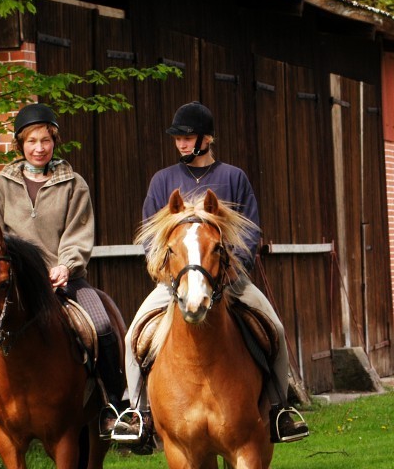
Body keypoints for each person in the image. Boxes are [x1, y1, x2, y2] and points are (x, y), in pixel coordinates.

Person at [111, 102, 309, 448]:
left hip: (230, 281)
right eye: (178, 139)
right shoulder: (162, 181)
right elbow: (150, 237)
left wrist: (233, 270)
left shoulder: (233, 178)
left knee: (275, 329)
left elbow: (250, 232)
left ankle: (280, 409)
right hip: (176, 284)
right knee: (132, 338)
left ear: (206, 139)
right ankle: (138, 413)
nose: (181, 144)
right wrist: (168, 273)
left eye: (188, 138)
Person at [0, 103, 127, 440]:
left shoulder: (74, 184)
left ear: (55, 141)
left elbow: (79, 232)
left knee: (102, 325)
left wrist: (66, 266)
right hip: (14, 283)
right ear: (20, 144)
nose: (39, 148)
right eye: (31, 141)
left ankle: (111, 407)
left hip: (64, 278)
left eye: (45, 140)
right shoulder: (1, 186)